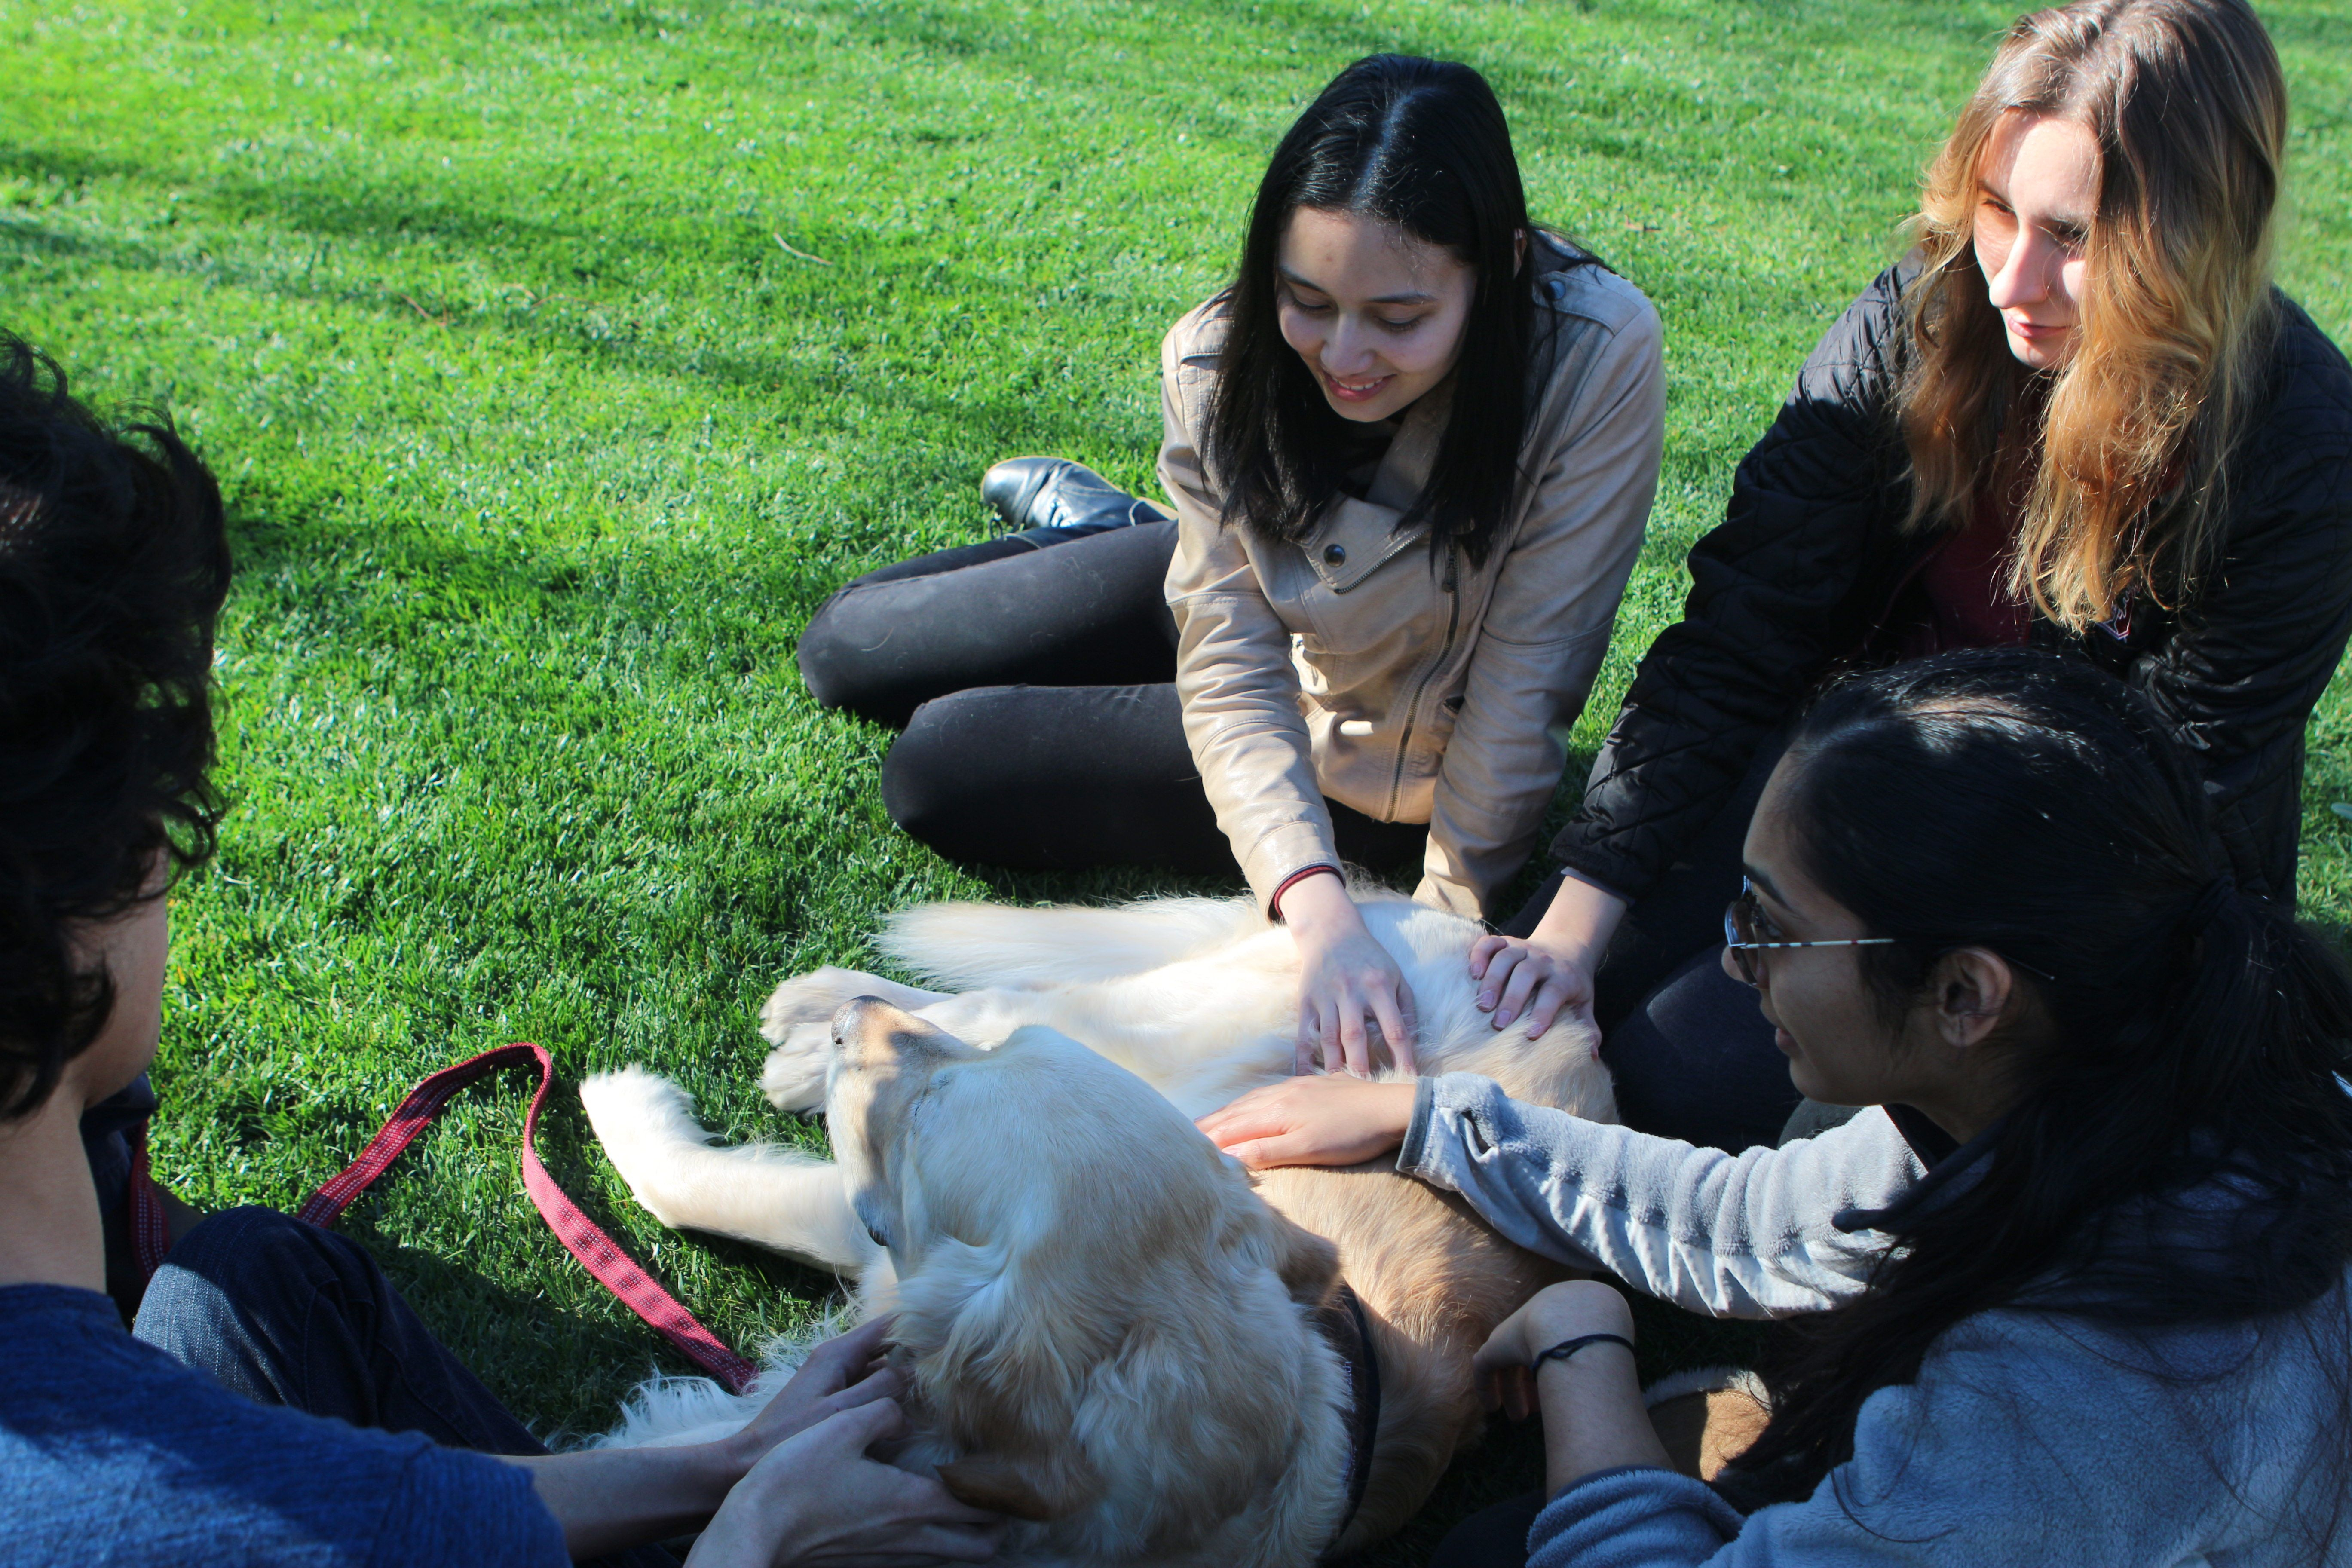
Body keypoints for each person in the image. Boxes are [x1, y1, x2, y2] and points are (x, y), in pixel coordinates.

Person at [0, 334, 997, 1568]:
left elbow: (337, 1501)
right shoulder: (171, 1520)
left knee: (258, 1278)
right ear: (106, 877)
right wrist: (756, 1530)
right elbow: (266, 1514)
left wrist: (722, 1465)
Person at [1200, 647, 2352, 1565]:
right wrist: (1431, 1120)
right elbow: (1763, 1226)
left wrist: (1583, 1347)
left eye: (1768, 922)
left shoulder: (2094, 1397)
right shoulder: (2092, 1070)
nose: (1735, 958)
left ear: (1965, 994)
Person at [1462, 0, 2352, 1153]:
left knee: (1673, 1090)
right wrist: (1576, 921)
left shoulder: (2298, 450)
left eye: (2074, 239)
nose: (2013, 277)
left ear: (2198, 235)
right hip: (1837, 766)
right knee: (1530, 1021)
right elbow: (1745, 630)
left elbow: (2164, 804)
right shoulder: (1920, 323)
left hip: (2045, 874)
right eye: (1996, 211)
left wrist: (1872, 955)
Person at [797, 54, 1665, 1077]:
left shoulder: (1593, 356)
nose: (1344, 355)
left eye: (1399, 320)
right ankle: (1116, 531)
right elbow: (1228, 651)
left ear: (1503, 265)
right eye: (1307, 299)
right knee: (844, 651)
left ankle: (1115, 532)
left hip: (1369, 747)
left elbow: (1533, 674)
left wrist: (1393, 925)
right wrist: (1320, 917)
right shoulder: (1215, 355)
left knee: (940, 766)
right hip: (1257, 600)